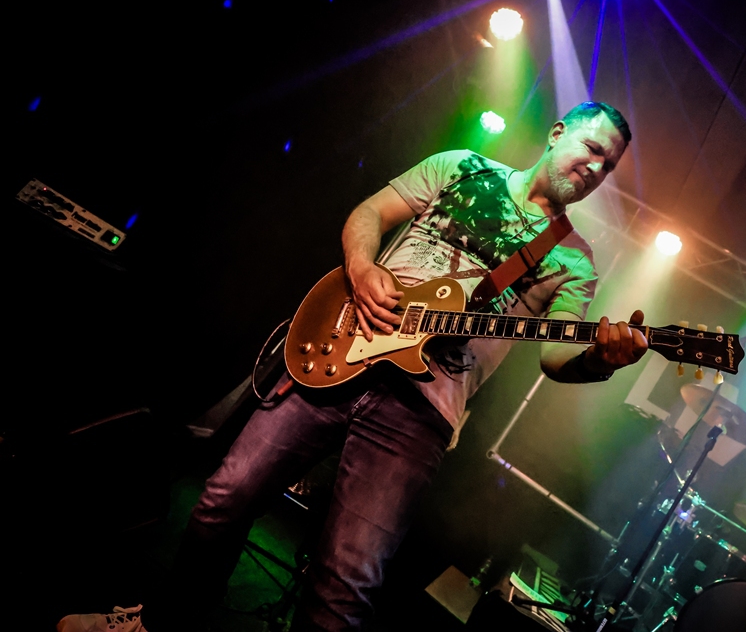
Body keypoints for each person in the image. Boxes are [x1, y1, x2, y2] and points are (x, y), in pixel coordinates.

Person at [57, 101, 648, 632]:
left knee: (345, 590)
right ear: (557, 132)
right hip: (341, 349)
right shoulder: (461, 166)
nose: (597, 168)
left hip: (421, 412)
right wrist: (363, 269)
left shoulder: (575, 259)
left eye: (610, 165)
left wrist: (600, 359)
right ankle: (158, 623)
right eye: (593, 148)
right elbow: (369, 213)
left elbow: (556, 357)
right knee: (222, 502)